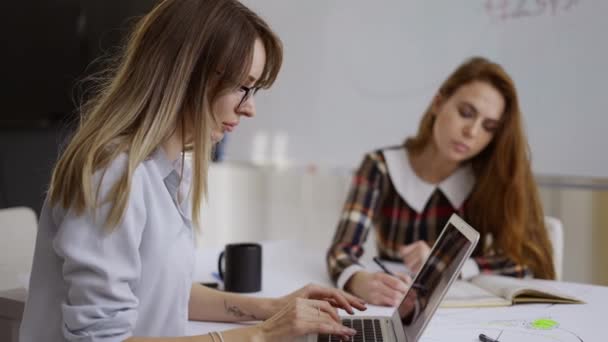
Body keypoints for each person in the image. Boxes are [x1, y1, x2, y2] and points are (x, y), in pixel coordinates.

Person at [19, 1, 365, 341]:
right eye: (242, 86)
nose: (250, 109)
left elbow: (168, 290)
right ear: (187, 73)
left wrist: (271, 308)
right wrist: (261, 335)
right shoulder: (113, 175)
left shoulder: (167, 170)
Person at [326, 56, 556, 307]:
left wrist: (447, 264)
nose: (472, 132)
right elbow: (342, 250)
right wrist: (359, 280)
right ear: (438, 103)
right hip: (394, 307)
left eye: (489, 127)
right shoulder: (381, 167)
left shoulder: (487, 178)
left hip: (464, 315)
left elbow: (526, 258)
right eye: (466, 113)